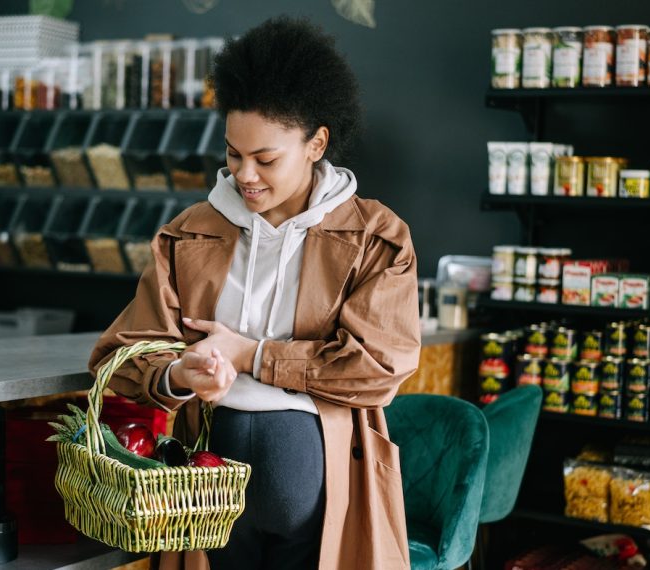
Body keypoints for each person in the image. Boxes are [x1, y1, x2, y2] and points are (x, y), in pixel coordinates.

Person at [89, 15, 421, 570]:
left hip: (319, 483)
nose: (245, 174)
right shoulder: (190, 232)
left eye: (266, 159)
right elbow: (120, 356)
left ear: (317, 143)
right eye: (233, 152)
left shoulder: (376, 238)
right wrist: (179, 374)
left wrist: (255, 356)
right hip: (203, 492)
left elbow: (379, 367)